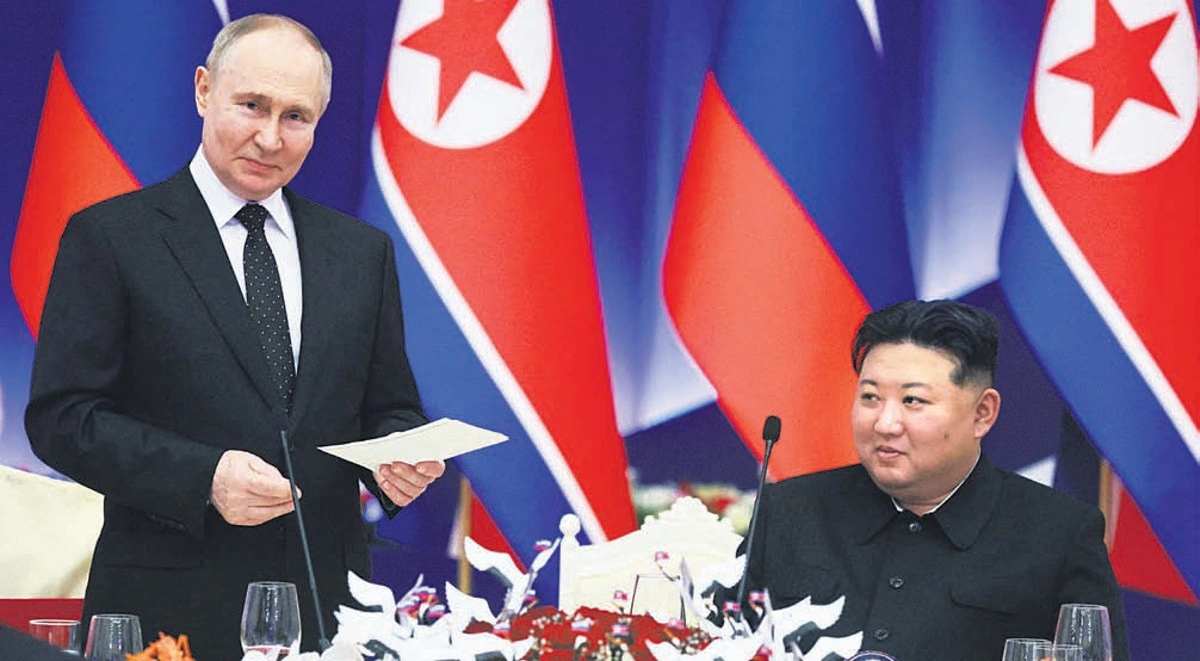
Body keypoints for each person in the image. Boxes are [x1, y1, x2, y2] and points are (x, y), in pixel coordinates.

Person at [26, 14, 445, 660]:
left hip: (329, 613)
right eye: (252, 105)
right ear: (203, 90)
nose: (270, 137)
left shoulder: (361, 252)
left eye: (295, 117)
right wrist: (205, 476)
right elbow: (62, 418)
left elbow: (388, 405)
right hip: (167, 615)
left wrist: (399, 458)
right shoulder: (111, 237)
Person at [736, 300, 1128, 660]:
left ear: (982, 413)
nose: (885, 423)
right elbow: (727, 637)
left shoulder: (1059, 534)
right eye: (870, 397)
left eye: (913, 401)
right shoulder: (790, 510)